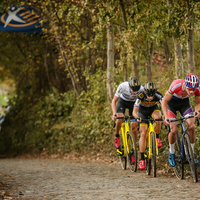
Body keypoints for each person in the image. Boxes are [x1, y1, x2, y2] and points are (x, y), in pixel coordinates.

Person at [162, 73, 200, 167]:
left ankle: (191, 153)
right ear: (185, 85)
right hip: (171, 104)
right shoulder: (176, 85)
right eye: (190, 89)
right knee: (173, 129)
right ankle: (171, 152)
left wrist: (197, 111)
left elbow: (197, 103)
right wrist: (166, 116)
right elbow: (164, 101)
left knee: (191, 126)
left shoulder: (198, 88)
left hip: (185, 104)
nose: (192, 92)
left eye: (193, 89)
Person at [132, 81, 163, 170]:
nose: (150, 97)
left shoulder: (158, 95)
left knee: (158, 117)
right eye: (148, 95)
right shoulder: (140, 96)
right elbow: (134, 111)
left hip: (153, 110)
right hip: (142, 112)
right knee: (143, 133)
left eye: (152, 95)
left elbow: (165, 107)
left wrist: (166, 116)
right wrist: (137, 117)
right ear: (145, 92)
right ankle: (142, 159)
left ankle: (157, 137)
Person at [111, 77, 144, 157]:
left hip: (133, 104)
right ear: (129, 87)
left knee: (134, 126)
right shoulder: (122, 86)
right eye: (132, 91)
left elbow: (143, 103)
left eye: (135, 92)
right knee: (120, 118)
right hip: (122, 102)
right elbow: (114, 101)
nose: (133, 93)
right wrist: (114, 113)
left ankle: (133, 149)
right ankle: (117, 136)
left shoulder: (142, 89)